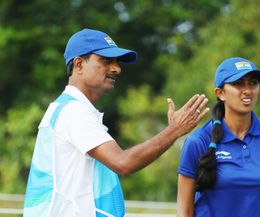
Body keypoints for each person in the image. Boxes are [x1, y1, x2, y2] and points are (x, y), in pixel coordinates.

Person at [23, 28, 210, 217]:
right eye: (106, 60)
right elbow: (123, 163)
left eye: (117, 62)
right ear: (79, 64)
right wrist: (174, 130)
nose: (117, 68)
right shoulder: (73, 111)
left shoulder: (67, 108)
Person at [177, 57, 260, 217]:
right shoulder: (198, 141)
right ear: (220, 93)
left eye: (253, 83)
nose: (247, 90)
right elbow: (184, 211)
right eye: (238, 83)